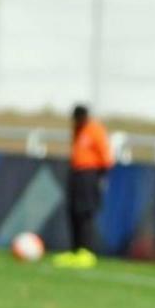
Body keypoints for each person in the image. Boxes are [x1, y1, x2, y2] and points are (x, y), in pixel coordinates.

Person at [54, 104, 113, 269]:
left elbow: (106, 158)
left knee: (85, 212)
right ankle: (75, 250)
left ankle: (86, 251)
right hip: (76, 172)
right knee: (73, 211)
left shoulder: (95, 130)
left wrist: (99, 178)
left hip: (90, 174)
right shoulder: (77, 130)